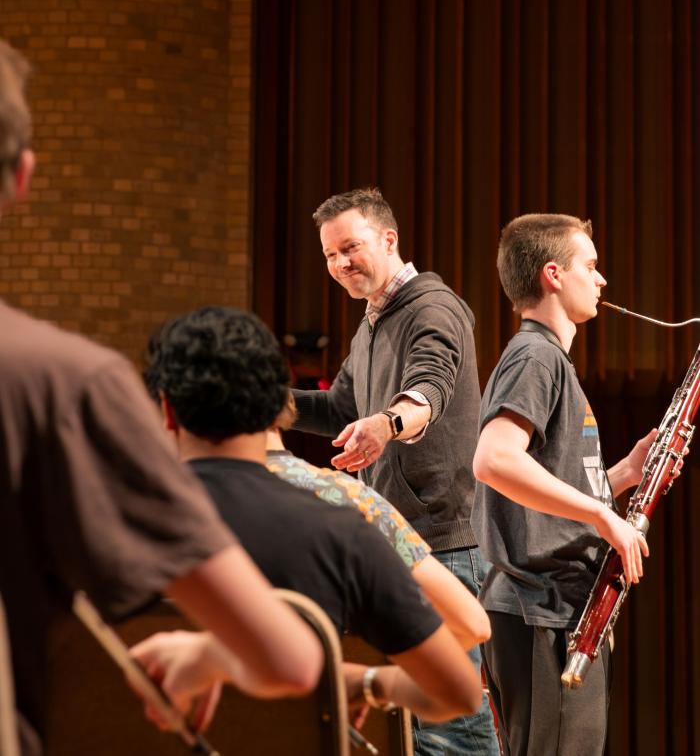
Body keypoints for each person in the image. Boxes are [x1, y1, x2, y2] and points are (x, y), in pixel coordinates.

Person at [0, 41, 323, 756]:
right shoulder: (64, 384)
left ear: (171, 409)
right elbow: (292, 659)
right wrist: (206, 655)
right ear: (22, 176)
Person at [142, 305, 484, 725]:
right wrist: (367, 682)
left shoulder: (106, 515)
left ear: (167, 411)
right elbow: (461, 680)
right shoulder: (348, 521)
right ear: (279, 409)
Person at [293, 186, 499, 754]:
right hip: (401, 541)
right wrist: (259, 402)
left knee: (454, 728)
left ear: (389, 239)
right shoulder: (371, 324)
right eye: (331, 255)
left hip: (444, 543)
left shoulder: (433, 308)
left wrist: (387, 423)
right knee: (415, 723)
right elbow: (338, 407)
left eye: (350, 248)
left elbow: (427, 386)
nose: (340, 264)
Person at [472, 213, 657, 756]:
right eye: (591, 266)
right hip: (537, 606)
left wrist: (623, 474)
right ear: (553, 274)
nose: (601, 280)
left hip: (554, 607)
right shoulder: (536, 356)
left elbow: (544, 483)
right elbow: (495, 460)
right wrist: (605, 518)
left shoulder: (548, 359)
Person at [266, 397, 491, 652]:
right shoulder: (344, 497)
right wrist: (376, 680)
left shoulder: (211, 501)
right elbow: (472, 625)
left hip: (439, 531)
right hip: (328, 682)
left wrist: (388, 423)